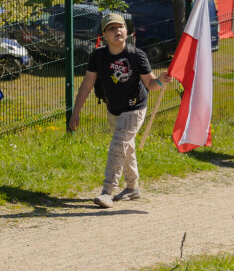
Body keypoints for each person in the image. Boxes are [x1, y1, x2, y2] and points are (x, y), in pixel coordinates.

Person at [67, 13, 169, 208]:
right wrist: (76, 111)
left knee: (118, 145)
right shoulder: (98, 56)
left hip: (135, 107)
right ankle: (132, 187)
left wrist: (160, 80)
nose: (117, 31)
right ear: (104, 35)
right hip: (113, 109)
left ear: (127, 31)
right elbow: (87, 84)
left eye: (120, 27)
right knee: (126, 148)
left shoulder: (136, 55)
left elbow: (151, 84)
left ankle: (107, 191)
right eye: (111, 28)